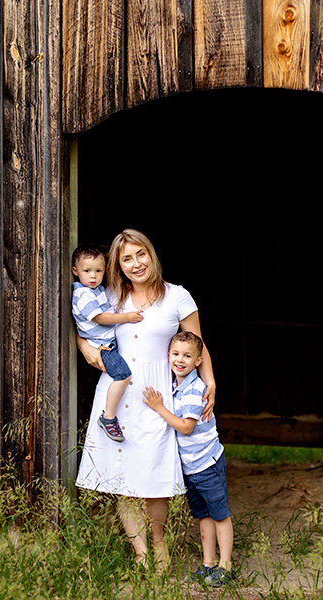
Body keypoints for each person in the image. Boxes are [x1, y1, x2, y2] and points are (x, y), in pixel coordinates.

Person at [75, 229, 216, 572]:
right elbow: (82, 329)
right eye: (126, 258)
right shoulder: (108, 296)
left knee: (153, 477)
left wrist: (210, 380)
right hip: (117, 394)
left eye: (140, 254)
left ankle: (158, 544)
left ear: (151, 255)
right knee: (124, 477)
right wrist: (86, 349)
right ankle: (140, 553)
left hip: (158, 395)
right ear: (117, 265)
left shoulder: (177, 296)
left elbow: (197, 343)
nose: (135, 263)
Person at [143, 331, 234, 587]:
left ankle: (226, 566)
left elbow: (186, 427)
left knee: (219, 515)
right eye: (175, 354)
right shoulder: (175, 385)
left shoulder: (195, 389)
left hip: (207, 463)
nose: (179, 360)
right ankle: (208, 564)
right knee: (203, 515)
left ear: (198, 361)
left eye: (187, 356)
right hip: (192, 467)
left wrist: (159, 408)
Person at [71, 246, 144, 442]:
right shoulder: (83, 294)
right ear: (75, 271)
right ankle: (108, 417)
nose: (93, 276)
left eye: (98, 271)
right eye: (87, 271)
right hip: (102, 346)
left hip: (106, 341)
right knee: (122, 375)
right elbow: (101, 318)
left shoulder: (97, 290)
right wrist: (127, 317)